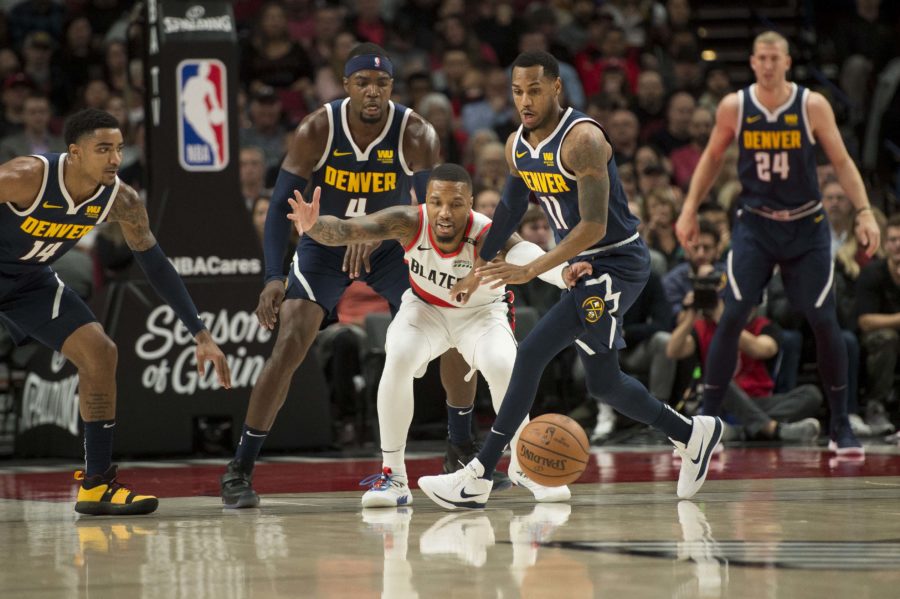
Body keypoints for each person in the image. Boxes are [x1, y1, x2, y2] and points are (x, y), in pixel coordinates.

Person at [417, 50, 724, 511]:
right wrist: (475, 269)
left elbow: (595, 226)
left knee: (531, 354)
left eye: (534, 90)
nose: (525, 100)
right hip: (582, 269)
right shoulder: (516, 144)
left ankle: (478, 474)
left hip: (615, 265)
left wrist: (531, 269)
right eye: (517, 91)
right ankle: (692, 433)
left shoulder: (582, 139)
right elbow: (510, 209)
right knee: (605, 383)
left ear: (557, 88)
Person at [220, 43, 477, 509]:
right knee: (290, 341)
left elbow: (431, 211)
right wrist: (272, 276)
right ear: (346, 87)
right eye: (363, 82)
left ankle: (460, 452)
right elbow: (280, 206)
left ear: (392, 88)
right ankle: (240, 468)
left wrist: (376, 231)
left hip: (393, 245)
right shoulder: (317, 128)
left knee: (454, 328)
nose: (372, 91)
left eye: (381, 83)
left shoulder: (416, 132)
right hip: (323, 244)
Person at [288, 164, 590, 506]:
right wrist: (314, 226)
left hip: (481, 315)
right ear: (426, 202)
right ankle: (394, 478)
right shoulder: (408, 221)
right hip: (425, 309)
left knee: (504, 364)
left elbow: (527, 255)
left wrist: (564, 273)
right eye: (436, 202)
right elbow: (347, 230)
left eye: (456, 204)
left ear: (471, 203)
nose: (445, 213)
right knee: (398, 357)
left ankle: (528, 465)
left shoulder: (487, 232)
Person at [0, 108, 232, 515]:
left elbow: (155, 263)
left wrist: (200, 332)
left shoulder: (121, 199)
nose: (114, 159)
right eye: (103, 149)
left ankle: (96, 484)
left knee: (100, 352)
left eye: (119, 149)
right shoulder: (24, 177)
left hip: (29, 283)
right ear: (74, 153)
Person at [675, 31, 880, 456]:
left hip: (806, 226)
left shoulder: (811, 105)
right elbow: (712, 158)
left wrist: (863, 212)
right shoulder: (736, 105)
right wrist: (690, 207)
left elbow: (841, 160)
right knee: (730, 315)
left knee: (823, 321)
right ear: (752, 62)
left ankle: (840, 423)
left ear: (787, 62)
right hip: (756, 225)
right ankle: (707, 426)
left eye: (775, 58)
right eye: (762, 58)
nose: (768, 65)